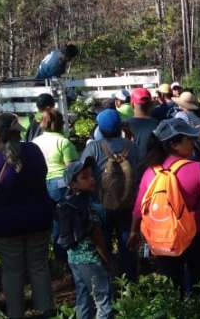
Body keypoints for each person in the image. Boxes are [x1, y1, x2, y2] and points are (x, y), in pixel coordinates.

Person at [127, 118, 200, 289]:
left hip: (163, 237)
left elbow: (139, 207)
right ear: (174, 144)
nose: (193, 142)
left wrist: (134, 231)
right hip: (197, 235)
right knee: (199, 284)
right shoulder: (198, 169)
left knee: (172, 285)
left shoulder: (151, 172)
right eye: (189, 139)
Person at [0, 112, 54, 318]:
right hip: (38, 218)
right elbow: (43, 173)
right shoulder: (34, 150)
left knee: (12, 271)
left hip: (5, 225)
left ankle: (16, 313)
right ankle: (46, 310)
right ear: (18, 131)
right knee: (39, 266)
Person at [80, 109, 139, 281]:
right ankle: (130, 281)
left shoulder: (93, 148)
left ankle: (105, 278)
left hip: (101, 203)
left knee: (103, 241)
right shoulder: (132, 147)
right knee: (126, 240)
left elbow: (83, 171)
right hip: (127, 202)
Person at [58, 158, 114, 319]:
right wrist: (108, 260)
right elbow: (97, 238)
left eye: (91, 175)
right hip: (91, 260)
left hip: (74, 259)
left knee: (84, 299)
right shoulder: (88, 206)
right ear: (73, 184)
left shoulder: (66, 203)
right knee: (104, 300)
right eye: (84, 177)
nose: (91, 179)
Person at [32, 108, 79, 262]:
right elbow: (71, 169)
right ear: (60, 123)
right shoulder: (63, 142)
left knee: (50, 224)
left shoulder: (35, 142)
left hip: (41, 185)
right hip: (61, 185)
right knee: (64, 224)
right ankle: (65, 259)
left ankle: (51, 259)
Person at [127, 88, 158, 177]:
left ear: (132, 104)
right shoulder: (159, 125)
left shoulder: (123, 126)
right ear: (151, 105)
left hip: (130, 175)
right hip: (152, 174)